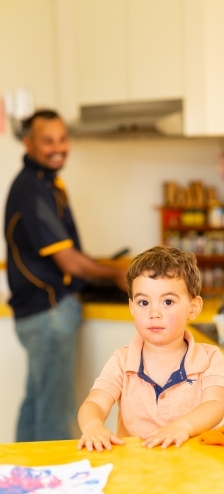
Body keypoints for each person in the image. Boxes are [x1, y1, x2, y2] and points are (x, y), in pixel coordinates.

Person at [4, 109, 127, 442]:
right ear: (27, 142)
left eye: (62, 138)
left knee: (37, 405)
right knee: (55, 417)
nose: (58, 147)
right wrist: (116, 274)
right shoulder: (32, 189)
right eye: (48, 140)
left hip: (39, 312)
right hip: (49, 312)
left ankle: (19, 487)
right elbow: (69, 261)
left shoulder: (47, 183)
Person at [78, 246, 224, 451]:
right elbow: (95, 403)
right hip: (137, 470)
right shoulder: (121, 361)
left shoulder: (210, 358)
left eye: (168, 301)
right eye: (143, 302)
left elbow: (215, 405)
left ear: (193, 308)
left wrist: (182, 426)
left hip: (195, 468)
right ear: (132, 307)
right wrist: (93, 426)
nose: (154, 313)